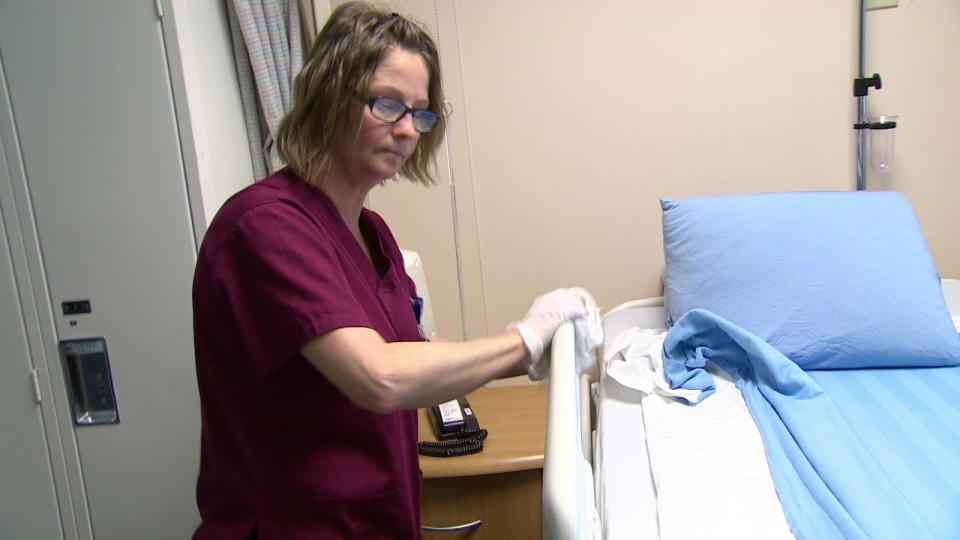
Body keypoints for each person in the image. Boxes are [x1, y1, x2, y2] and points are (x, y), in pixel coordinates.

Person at [191, 3, 586, 539]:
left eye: (420, 114)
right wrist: (524, 340)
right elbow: (379, 376)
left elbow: (414, 354)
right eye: (387, 104)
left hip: (377, 519)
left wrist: (539, 351)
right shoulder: (264, 228)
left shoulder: (372, 234)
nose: (407, 130)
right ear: (330, 93)